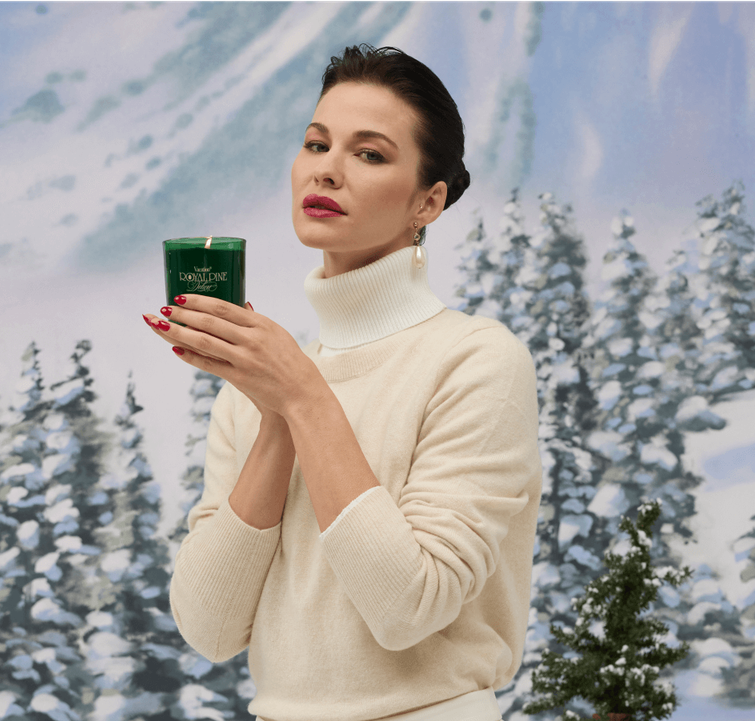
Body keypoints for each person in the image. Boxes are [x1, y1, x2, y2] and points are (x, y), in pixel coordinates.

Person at [144, 44, 542, 721]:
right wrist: (276, 415)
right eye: (316, 143)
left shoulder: (476, 361)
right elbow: (210, 628)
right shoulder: (266, 379)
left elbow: (408, 604)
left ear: (430, 200)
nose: (327, 169)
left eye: (370, 154)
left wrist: (302, 396)